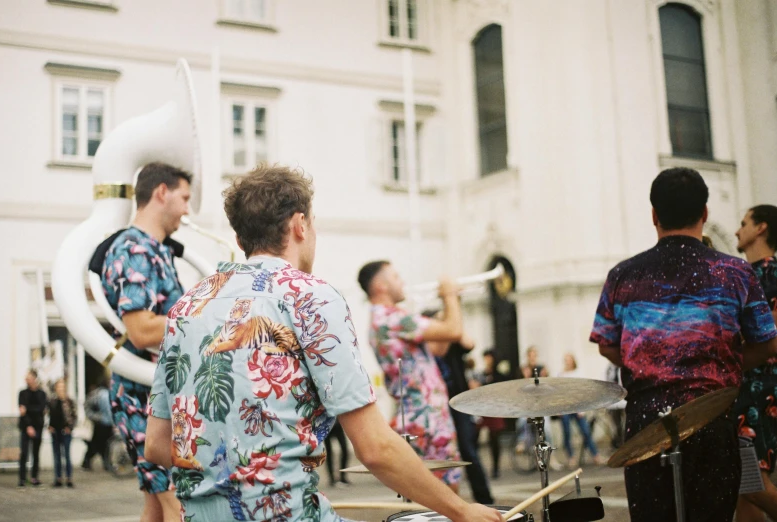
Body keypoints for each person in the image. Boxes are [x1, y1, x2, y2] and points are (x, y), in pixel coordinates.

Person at [145, 165, 501, 522]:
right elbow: (375, 449)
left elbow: (157, 446)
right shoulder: (311, 297)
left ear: (241, 241)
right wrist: (462, 511)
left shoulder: (187, 307)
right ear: (301, 225)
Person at [590, 167, 777, 522]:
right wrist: (720, 367)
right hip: (713, 416)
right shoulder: (736, 271)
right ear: (705, 214)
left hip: (646, 424)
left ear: (654, 215)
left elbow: (606, 345)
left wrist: (651, 363)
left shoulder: (622, 275)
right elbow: (767, 346)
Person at [100, 162, 190, 521]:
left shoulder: (153, 248)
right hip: (145, 396)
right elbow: (141, 330)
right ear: (162, 192)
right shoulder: (134, 248)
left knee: (157, 506)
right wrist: (203, 319)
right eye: (184, 198)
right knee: (177, 505)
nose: (187, 209)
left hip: (152, 393)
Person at [359, 260, 466, 492]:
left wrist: (451, 302)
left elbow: (439, 348)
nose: (403, 282)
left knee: (438, 497)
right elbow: (454, 331)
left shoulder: (386, 320)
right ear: (381, 286)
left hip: (425, 416)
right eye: (396, 277)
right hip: (426, 419)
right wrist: (450, 295)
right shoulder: (392, 319)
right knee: (445, 496)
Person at [733, 204, 777, 522]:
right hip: (749, 384)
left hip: (762, 386)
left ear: (760, 228)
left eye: (743, 223)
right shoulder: (749, 273)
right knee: (742, 488)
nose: (737, 230)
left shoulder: (770, 273)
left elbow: (773, 333)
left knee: (751, 482)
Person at [426, 310, 495, 504]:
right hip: (435, 406)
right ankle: (441, 501)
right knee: (438, 454)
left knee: (468, 450)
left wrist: (449, 320)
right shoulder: (427, 344)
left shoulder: (453, 341)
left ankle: (485, 499)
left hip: (458, 403)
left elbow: (469, 343)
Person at [557, 353, 605, 468]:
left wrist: (582, 408)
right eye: (565, 360)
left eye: (569, 360)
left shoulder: (578, 373)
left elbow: (582, 392)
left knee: (586, 431)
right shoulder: (561, 374)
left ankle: (595, 455)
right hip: (565, 408)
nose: (567, 362)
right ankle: (571, 457)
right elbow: (558, 393)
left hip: (577, 407)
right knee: (567, 433)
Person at [476, 350, 508, 479]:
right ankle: (475, 467)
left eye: (488, 358)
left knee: (494, 439)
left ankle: (495, 468)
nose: (487, 360)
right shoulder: (482, 374)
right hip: (483, 409)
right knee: (474, 437)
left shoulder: (498, 374)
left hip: (494, 408)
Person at [18, 369, 47, 487]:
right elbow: (22, 412)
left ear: (34, 378)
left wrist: (28, 409)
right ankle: (22, 478)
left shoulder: (42, 394)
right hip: (26, 427)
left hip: (38, 426)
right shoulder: (23, 393)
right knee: (24, 453)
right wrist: (29, 426)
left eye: (28, 377)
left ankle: (34, 477)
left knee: (36, 453)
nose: (26, 379)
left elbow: (43, 410)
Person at [48, 379, 77, 487]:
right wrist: (50, 427)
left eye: (62, 387)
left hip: (66, 432)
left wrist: (70, 428)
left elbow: (74, 416)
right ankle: (58, 478)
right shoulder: (53, 401)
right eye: (58, 387)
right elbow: (50, 415)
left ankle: (69, 478)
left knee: (67, 455)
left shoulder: (69, 402)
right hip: (55, 432)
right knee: (57, 456)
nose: (60, 389)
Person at [82, 379, 113, 471]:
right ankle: (103, 463)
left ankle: (90, 462)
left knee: (99, 445)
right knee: (100, 445)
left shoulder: (99, 393)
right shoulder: (104, 394)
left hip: (101, 423)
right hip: (103, 424)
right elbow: (108, 411)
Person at [323, 421, 350, 488]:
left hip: (337, 424)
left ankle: (343, 476)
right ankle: (332, 478)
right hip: (326, 425)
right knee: (329, 452)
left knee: (345, 450)